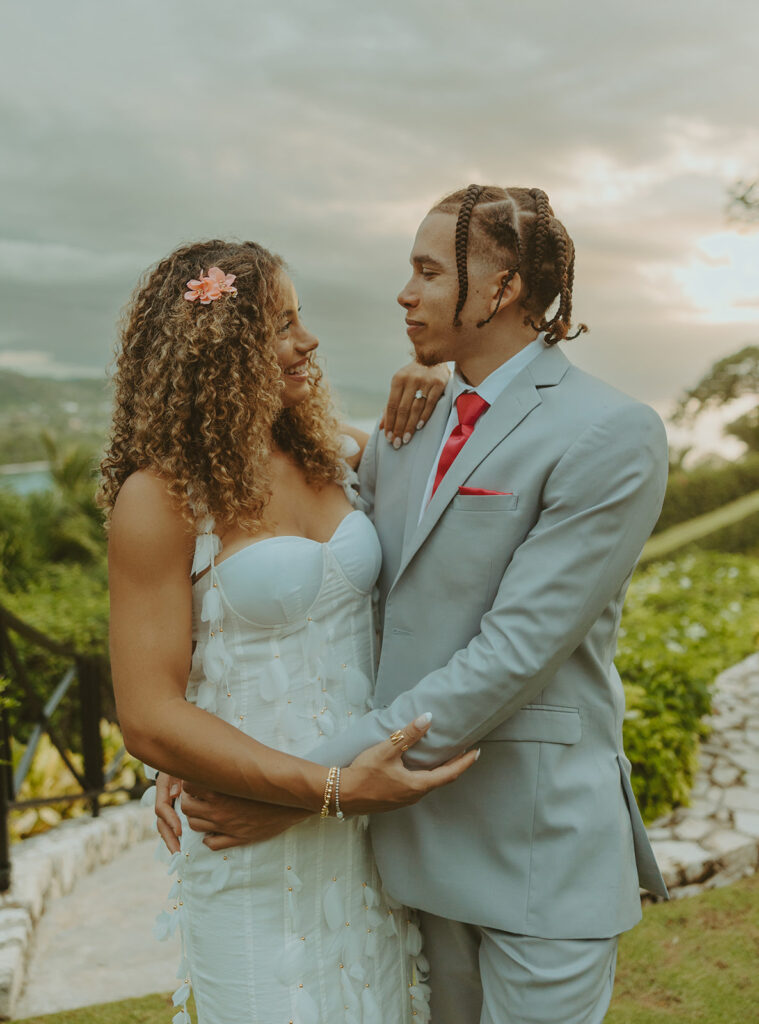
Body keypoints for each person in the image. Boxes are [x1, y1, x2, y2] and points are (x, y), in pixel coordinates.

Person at [158, 187, 670, 1024]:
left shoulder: (608, 432)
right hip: (407, 847)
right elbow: (337, 587)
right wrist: (207, 746)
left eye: (427, 272)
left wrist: (299, 786)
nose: (404, 292)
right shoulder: (408, 427)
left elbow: (512, 651)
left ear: (500, 289)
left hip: (536, 845)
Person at [101, 238, 475, 1024]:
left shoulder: (336, 454)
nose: (305, 342)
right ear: (215, 352)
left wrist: (436, 386)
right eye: (276, 327)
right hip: (249, 833)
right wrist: (330, 789)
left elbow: (451, 539)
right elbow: (149, 714)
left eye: (299, 320)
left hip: (372, 837)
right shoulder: (161, 496)